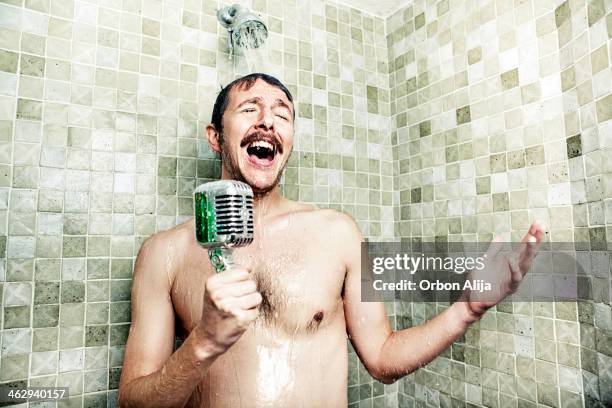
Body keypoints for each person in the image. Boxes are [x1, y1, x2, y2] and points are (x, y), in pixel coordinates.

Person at [117, 73, 546, 407]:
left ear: (288, 140)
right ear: (215, 137)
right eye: (250, 108)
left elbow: (381, 357)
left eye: (282, 114)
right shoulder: (164, 253)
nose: (268, 120)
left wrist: (466, 309)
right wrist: (203, 344)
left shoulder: (338, 232)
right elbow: (133, 401)